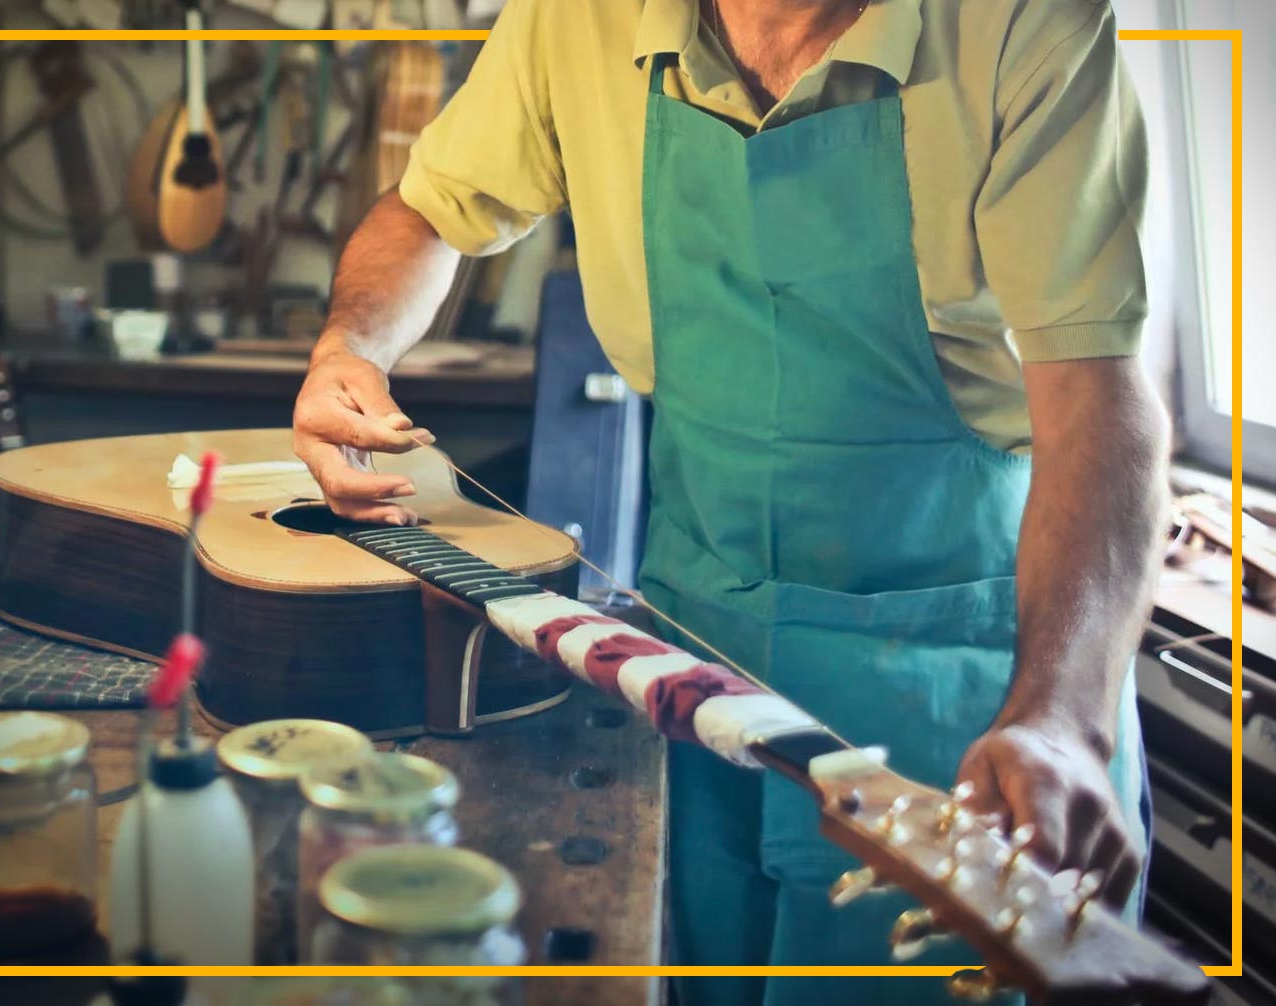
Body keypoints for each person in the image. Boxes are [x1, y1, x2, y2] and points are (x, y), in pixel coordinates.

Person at [292, 1, 1169, 1002]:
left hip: (965, 705)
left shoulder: (1024, 24)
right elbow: (427, 209)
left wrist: (1060, 720)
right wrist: (350, 349)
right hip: (691, 679)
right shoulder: (573, 20)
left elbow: (1098, 403)